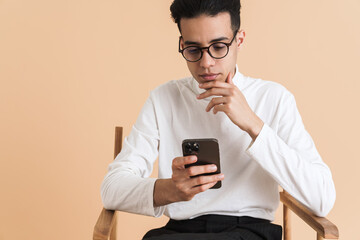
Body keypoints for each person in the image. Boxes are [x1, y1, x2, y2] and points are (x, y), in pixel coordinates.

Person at [101, 0, 336, 239]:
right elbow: (111, 189)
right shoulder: (163, 99)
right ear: (182, 45)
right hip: (180, 232)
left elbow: (322, 198)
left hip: (250, 231)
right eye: (193, 50)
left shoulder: (274, 98)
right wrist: (169, 190)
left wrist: (254, 125)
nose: (206, 63)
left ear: (239, 41)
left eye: (219, 46)